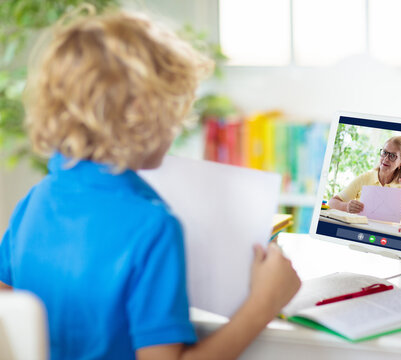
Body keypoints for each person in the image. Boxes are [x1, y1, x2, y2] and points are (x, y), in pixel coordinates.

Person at [0, 9, 300, 360]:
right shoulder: (154, 225)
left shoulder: (35, 199)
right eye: (174, 110)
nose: (179, 125)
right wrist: (262, 305)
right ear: (142, 114)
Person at [328, 136, 401, 228]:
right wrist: (347, 206)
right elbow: (332, 202)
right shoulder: (365, 178)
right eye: (384, 153)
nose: (386, 159)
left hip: (384, 236)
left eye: (392, 156)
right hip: (358, 230)